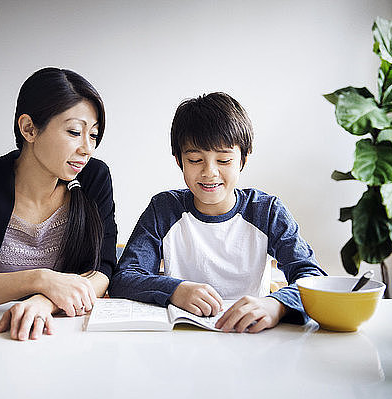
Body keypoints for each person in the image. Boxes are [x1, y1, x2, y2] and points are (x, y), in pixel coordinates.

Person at [108, 92, 325, 333]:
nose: (209, 172)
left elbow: (312, 276)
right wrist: (175, 290)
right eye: (195, 160)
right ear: (179, 160)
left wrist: (276, 305)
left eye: (223, 160)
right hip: (181, 341)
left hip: (252, 337)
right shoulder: (164, 209)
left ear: (242, 159)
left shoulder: (266, 211)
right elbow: (124, 278)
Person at [0, 67, 117, 340]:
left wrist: (45, 301)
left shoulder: (95, 178)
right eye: (75, 132)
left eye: (93, 135)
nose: (87, 148)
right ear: (29, 128)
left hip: (64, 334)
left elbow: (102, 270)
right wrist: (39, 279)